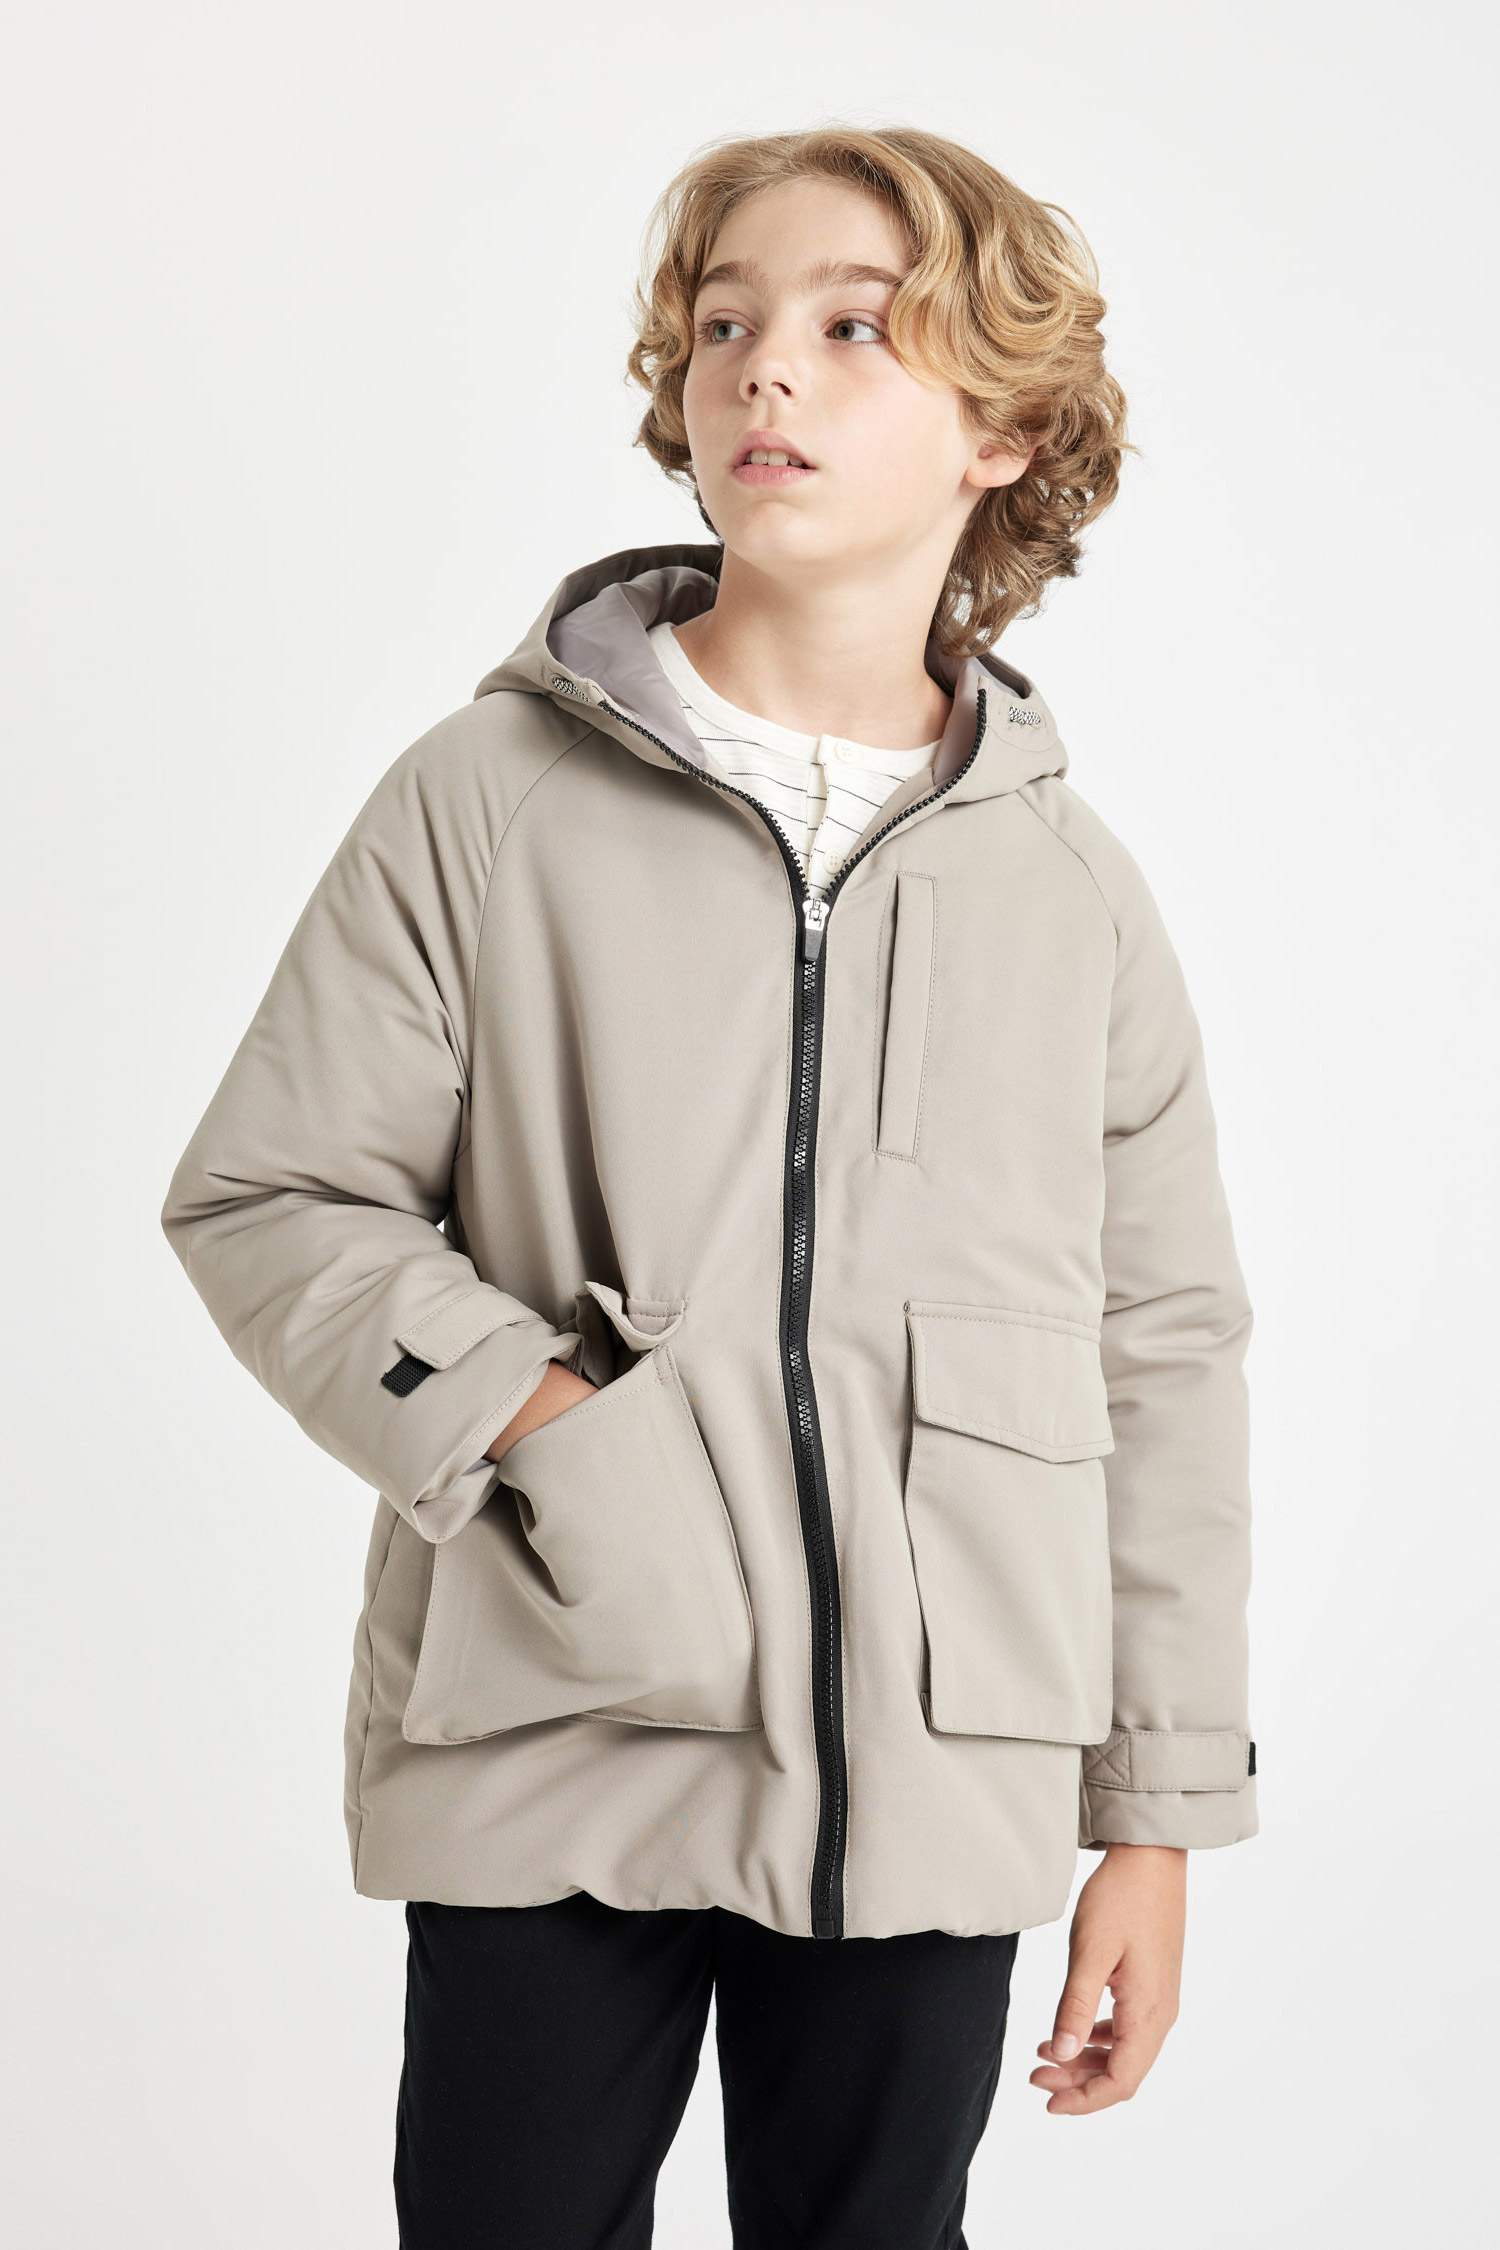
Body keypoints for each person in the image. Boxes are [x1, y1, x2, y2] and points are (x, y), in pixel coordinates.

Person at [160, 123, 1259, 2249]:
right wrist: (554, 1430)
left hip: (939, 1768)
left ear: (1006, 434)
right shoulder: (488, 798)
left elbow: (1164, 1355)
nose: (768, 368)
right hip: (561, 1709)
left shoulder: (1071, 895)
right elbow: (274, 1194)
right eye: (729, 323)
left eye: (858, 331)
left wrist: (1155, 1816)